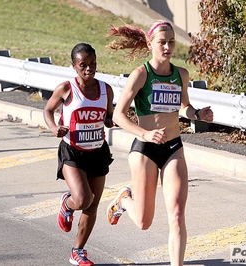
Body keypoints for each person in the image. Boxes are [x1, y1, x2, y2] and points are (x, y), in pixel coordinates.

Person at [105, 21, 213, 266]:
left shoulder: (181, 74)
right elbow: (118, 115)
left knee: (176, 214)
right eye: (162, 42)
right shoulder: (141, 74)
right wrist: (144, 134)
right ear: (150, 44)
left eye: (171, 42)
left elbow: (184, 106)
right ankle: (124, 199)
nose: (167, 46)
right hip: (146, 150)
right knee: (144, 222)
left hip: (173, 148)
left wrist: (197, 114)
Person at [43, 43, 115, 266]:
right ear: (74, 66)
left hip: (98, 152)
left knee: (92, 206)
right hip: (72, 151)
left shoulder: (106, 89)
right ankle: (68, 204)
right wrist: (55, 128)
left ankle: (78, 251)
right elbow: (47, 110)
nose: (89, 69)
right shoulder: (66, 88)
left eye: (92, 64)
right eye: (83, 65)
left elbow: (108, 116)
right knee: (84, 199)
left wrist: (111, 120)